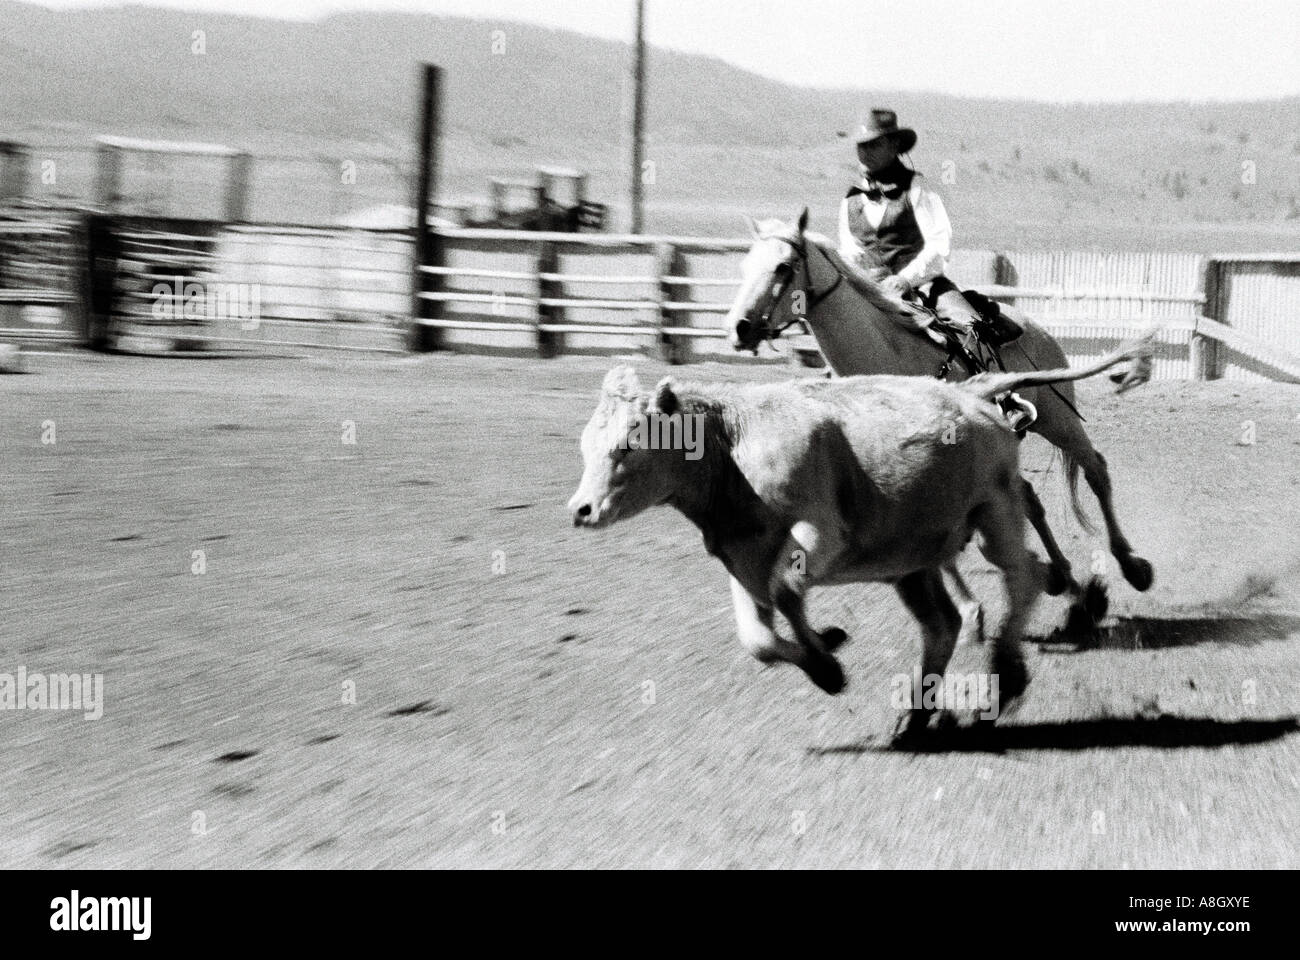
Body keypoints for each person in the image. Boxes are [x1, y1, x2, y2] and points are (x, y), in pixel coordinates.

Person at [838, 108, 1035, 430]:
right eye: (861, 145)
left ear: (893, 146)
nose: (865, 152)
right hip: (872, 289)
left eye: (873, 144)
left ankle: (1006, 401)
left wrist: (904, 279)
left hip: (924, 284)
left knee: (968, 324)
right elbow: (850, 251)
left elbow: (938, 246)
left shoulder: (918, 189)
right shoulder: (850, 201)